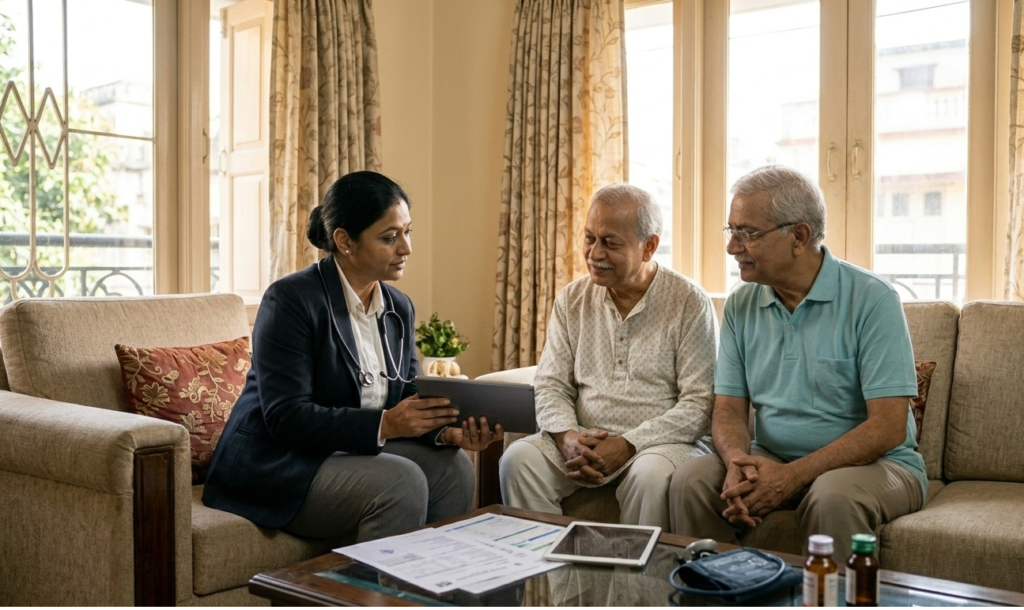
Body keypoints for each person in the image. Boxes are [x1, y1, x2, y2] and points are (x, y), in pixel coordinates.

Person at [203, 171, 503, 543]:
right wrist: (386, 425)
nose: (406, 248)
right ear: (345, 241)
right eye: (390, 237)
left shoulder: (398, 307)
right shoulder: (291, 300)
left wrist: (445, 431)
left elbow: (404, 397)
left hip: (347, 451)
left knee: (454, 468)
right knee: (399, 482)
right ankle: (375, 598)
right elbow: (286, 417)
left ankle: (429, 594)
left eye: (408, 232)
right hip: (280, 461)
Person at [669, 165, 925, 561]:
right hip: (771, 458)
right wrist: (737, 462)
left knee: (831, 497)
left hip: (877, 466)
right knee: (691, 479)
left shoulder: (873, 299)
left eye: (748, 233)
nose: (732, 247)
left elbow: (888, 427)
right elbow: (728, 410)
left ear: (799, 237)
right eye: (731, 230)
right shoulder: (741, 303)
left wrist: (792, 477)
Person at [499, 184, 717, 530]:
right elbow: (551, 384)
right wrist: (568, 438)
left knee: (648, 478)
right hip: (583, 439)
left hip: (658, 446)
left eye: (610, 243)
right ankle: (546, 582)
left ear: (649, 247)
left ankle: (639, 585)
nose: (594, 253)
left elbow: (700, 404)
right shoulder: (572, 299)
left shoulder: (689, 302)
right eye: (589, 238)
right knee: (518, 460)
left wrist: (629, 444)